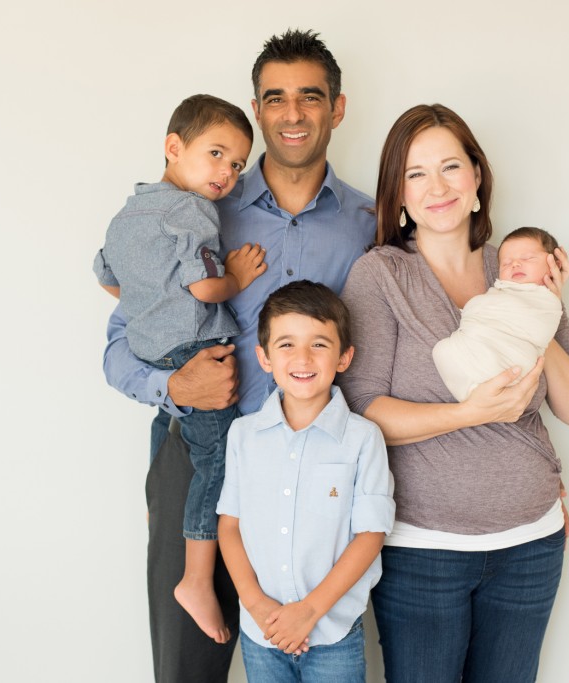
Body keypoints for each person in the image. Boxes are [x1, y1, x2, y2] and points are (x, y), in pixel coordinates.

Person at [101, 29, 376, 683]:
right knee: (186, 668)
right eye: (275, 98)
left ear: (336, 109)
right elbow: (117, 347)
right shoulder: (196, 211)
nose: (292, 113)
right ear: (257, 109)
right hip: (196, 454)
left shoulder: (371, 222)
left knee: (312, 658)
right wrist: (175, 387)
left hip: (318, 475)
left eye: (310, 97)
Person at [338, 103, 569, 683]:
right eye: (416, 173)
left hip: (532, 544)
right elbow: (365, 412)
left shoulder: (517, 269)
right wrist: (467, 414)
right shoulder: (380, 275)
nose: (437, 187)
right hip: (423, 550)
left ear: (477, 177)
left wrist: (540, 309)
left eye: (451, 166)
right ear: (398, 194)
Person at [93, 94, 267, 644]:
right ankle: (195, 578)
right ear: (174, 147)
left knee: (166, 431)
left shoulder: (128, 212)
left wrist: (150, 302)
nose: (228, 173)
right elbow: (205, 286)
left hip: (156, 353)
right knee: (219, 459)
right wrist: (236, 278)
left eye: (238, 164)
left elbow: (105, 275)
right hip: (196, 350)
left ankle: (159, 518)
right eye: (216, 154)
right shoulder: (192, 211)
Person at [216, 281, 394, 682]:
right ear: (263, 357)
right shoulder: (243, 435)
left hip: (332, 635)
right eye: (286, 345)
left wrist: (309, 611)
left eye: (319, 344)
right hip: (262, 633)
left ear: (344, 357)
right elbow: (230, 525)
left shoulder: (363, 438)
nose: (302, 357)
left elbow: (370, 534)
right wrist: (257, 605)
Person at [432, 226, 565, 401]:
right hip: (483, 354)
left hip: (513, 361)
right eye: (506, 263)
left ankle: (481, 393)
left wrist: (552, 298)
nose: (515, 264)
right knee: (442, 351)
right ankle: (473, 396)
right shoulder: (499, 291)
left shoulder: (548, 303)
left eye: (528, 258)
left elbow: (535, 328)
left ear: (554, 265)